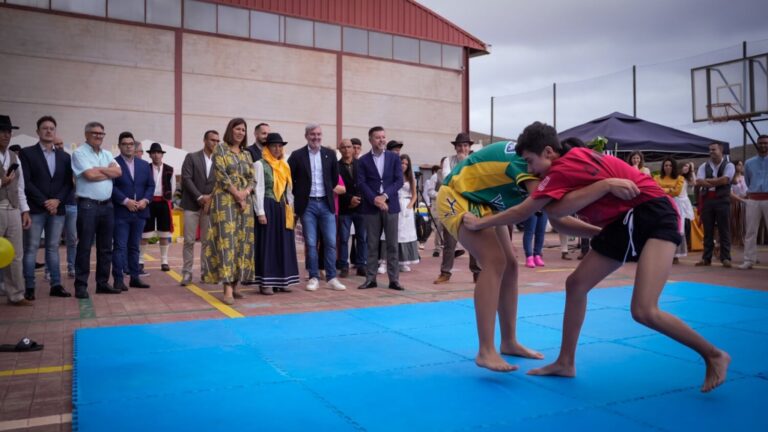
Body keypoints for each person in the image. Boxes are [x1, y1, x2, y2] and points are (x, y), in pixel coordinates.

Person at [463, 121, 730, 392]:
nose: (529, 170)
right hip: (627, 221)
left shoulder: (567, 165)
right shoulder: (566, 167)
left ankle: (714, 354)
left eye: (531, 162)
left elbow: (525, 211)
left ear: (548, 152)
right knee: (576, 284)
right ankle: (566, 362)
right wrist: (603, 194)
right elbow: (562, 219)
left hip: (654, 214)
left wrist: (479, 224)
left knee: (644, 310)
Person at [435, 140, 589, 371]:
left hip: (485, 202)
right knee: (495, 261)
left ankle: (508, 341)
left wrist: (601, 232)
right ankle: (485, 350)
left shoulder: (539, 160)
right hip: (457, 195)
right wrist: (602, 230)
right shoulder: (529, 163)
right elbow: (556, 216)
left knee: (510, 266)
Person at [203, 118, 255, 304]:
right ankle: (226, 289)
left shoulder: (247, 154)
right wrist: (237, 194)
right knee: (227, 242)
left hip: (244, 204)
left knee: (242, 243)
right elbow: (221, 175)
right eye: (237, 129)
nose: (240, 132)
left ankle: (236, 284)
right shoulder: (220, 150)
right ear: (230, 130)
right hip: (225, 201)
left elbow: (252, 178)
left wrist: (245, 193)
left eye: (243, 129)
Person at [19, 116, 72, 299]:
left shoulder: (64, 157)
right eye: (44, 128)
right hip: (35, 209)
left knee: (52, 247)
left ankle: (56, 285)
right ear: (38, 132)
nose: (48, 131)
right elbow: (26, 181)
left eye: (51, 128)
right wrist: (45, 202)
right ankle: (29, 287)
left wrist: (57, 200)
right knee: (32, 248)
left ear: (55, 132)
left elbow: (68, 183)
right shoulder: (27, 154)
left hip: (57, 210)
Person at [287, 124, 345, 291]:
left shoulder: (330, 154)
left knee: (330, 242)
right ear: (306, 136)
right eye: (312, 134)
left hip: (326, 204)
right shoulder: (297, 155)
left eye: (319, 134)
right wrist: (298, 195)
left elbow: (334, 179)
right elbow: (289, 178)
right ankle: (313, 276)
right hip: (308, 205)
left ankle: (332, 277)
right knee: (311, 243)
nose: (316, 137)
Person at [72, 121, 122, 298]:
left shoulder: (107, 153)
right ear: (86, 135)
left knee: (105, 247)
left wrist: (99, 169)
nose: (99, 136)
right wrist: (106, 171)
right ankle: (81, 285)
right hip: (88, 205)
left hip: (107, 206)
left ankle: (102, 283)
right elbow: (89, 176)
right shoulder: (79, 153)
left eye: (101, 133)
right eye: (95, 133)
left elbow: (118, 172)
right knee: (84, 246)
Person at [357, 126, 405, 291]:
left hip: (391, 205)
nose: (382, 140)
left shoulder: (394, 158)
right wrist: (374, 199)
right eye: (378, 137)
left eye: (383, 137)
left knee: (392, 244)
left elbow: (399, 181)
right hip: (371, 208)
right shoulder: (363, 161)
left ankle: (394, 280)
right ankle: (371, 279)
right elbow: (361, 183)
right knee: (372, 244)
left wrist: (384, 196)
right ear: (370, 140)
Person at [254, 133, 300, 294]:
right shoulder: (260, 164)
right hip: (267, 206)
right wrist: (260, 212)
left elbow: (289, 191)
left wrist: (291, 210)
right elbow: (258, 189)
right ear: (267, 147)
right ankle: (265, 282)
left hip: (282, 207)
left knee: (283, 243)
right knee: (268, 243)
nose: (277, 148)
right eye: (274, 145)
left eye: (280, 146)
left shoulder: (284, 165)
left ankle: (282, 280)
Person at [434, 133, 480, 284]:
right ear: (455, 147)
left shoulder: (475, 160)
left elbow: (477, 180)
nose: (462, 148)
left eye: (465, 145)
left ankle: (477, 273)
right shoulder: (448, 160)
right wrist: (462, 166)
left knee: (474, 241)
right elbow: (448, 179)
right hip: (452, 205)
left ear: (469, 147)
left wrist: (465, 164)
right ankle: (445, 272)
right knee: (449, 242)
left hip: (470, 204)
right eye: (460, 146)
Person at [111, 132, 153, 291]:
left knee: (135, 247)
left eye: (131, 144)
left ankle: (135, 278)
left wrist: (145, 200)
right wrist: (125, 201)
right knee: (120, 247)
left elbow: (150, 186)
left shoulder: (143, 165)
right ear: (120, 146)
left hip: (140, 211)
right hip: (121, 212)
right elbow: (111, 187)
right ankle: (118, 280)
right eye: (125, 144)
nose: (129, 146)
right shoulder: (113, 163)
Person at [0, 115, 32, 306]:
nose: (6, 135)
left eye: (9, 132)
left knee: (15, 254)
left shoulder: (14, 157)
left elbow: (20, 187)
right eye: (2, 131)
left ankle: (16, 294)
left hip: (12, 208)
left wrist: (24, 211)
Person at [180, 130, 218, 286]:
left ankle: (205, 272)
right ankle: (187, 273)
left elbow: (222, 182)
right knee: (189, 240)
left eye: (217, 141)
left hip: (210, 205)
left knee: (207, 242)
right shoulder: (192, 157)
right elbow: (186, 179)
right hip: (191, 204)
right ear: (204, 140)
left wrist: (210, 197)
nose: (215, 143)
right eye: (212, 140)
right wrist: (200, 197)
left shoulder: (220, 160)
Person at [695, 142, 735, 268]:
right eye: (710, 150)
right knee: (708, 231)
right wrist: (717, 182)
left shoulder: (729, 165)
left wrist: (708, 181)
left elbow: (725, 180)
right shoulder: (703, 165)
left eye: (714, 149)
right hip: (707, 200)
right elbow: (699, 182)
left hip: (722, 200)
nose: (711, 152)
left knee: (724, 229)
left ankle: (726, 258)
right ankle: (706, 258)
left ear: (721, 150)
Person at [140, 143, 175, 272]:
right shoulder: (145, 168)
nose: (156, 155)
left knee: (164, 233)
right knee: (145, 233)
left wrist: (168, 200)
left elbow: (173, 186)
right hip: (148, 202)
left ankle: (164, 261)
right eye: (153, 153)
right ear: (150, 155)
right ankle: (141, 260)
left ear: (162, 154)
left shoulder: (169, 169)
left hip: (163, 202)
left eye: (158, 152)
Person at [337, 138, 367, 277]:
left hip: (361, 207)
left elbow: (365, 184)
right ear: (340, 149)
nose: (347, 150)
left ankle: (362, 265)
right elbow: (336, 187)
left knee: (362, 237)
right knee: (343, 238)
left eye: (349, 147)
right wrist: (350, 199)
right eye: (343, 147)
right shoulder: (335, 166)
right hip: (345, 207)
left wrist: (358, 199)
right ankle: (344, 265)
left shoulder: (361, 165)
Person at [739, 134, 768, 270]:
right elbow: (748, 181)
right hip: (753, 199)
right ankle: (749, 260)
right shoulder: (749, 163)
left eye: (766, 143)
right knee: (750, 231)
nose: (763, 145)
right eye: (761, 143)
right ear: (757, 144)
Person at [654, 157, 687, 263]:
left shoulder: (680, 178)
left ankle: (675, 255)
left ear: (674, 167)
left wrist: (662, 189)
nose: (668, 167)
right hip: (661, 205)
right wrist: (669, 190)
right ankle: (660, 253)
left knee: (676, 228)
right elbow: (655, 189)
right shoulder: (656, 178)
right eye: (665, 165)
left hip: (675, 206)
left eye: (670, 165)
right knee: (661, 227)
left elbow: (677, 192)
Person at [53, 137, 77, 279]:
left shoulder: (69, 159)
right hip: (56, 207)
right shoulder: (49, 161)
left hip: (72, 205)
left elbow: (75, 181)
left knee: (72, 239)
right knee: (53, 241)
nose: (59, 146)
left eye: (61, 143)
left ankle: (72, 267)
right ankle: (50, 271)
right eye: (56, 144)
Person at [397, 154, 420, 272]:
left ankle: (404, 261)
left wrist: (410, 205)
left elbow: (415, 194)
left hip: (406, 205)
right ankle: (386, 261)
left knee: (406, 234)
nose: (404, 166)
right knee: (394, 233)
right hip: (396, 204)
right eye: (402, 163)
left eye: (406, 164)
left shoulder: (411, 177)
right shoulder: (394, 175)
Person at [730, 160, 748, 248]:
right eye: (739, 165)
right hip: (735, 203)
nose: (741, 167)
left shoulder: (745, 178)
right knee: (734, 223)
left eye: (742, 165)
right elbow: (730, 193)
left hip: (745, 203)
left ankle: (742, 240)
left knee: (743, 223)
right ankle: (734, 240)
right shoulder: (731, 179)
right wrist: (741, 199)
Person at [678, 161, 696, 251]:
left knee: (686, 225)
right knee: (679, 225)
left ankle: (685, 245)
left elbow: (694, 183)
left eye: (688, 167)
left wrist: (692, 171)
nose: (686, 168)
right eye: (685, 166)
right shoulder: (676, 176)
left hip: (685, 202)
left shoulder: (686, 178)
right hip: (677, 201)